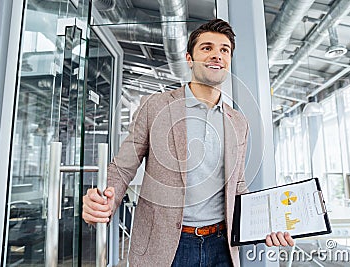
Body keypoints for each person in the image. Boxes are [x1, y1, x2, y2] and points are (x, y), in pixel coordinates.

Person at [82, 18, 294, 266]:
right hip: (166, 245)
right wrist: (104, 200)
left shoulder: (238, 122)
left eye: (224, 50)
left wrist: (264, 223)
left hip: (222, 246)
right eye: (207, 48)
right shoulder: (156, 106)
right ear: (189, 58)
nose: (217, 55)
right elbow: (123, 167)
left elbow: (237, 185)